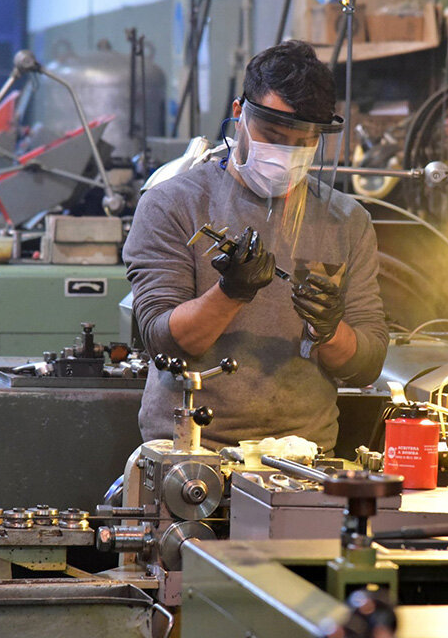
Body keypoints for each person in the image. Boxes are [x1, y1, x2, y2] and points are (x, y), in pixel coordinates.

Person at [123, 40, 388, 452]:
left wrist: (330, 331)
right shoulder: (173, 204)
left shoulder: (347, 221)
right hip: (191, 454)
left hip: (303, 460)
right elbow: (163, 341)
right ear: (238, 115)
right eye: (273, 135)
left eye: (302, 142)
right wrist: (231, 292)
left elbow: (366, 364)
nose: (286, 154)